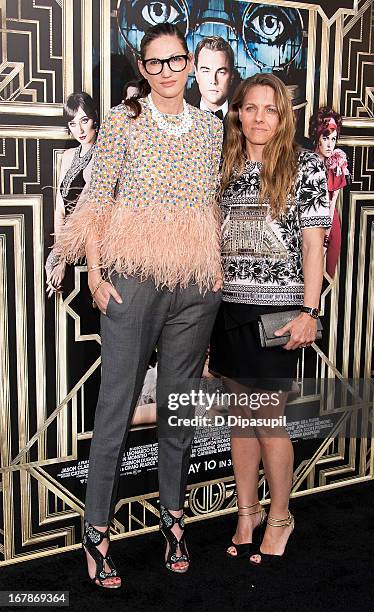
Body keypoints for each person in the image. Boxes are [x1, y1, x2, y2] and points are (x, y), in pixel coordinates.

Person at [53, 23, 223, 587]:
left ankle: (173, 522)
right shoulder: (124, 125)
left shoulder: (209, 129)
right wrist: (97, 277)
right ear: (144, 70)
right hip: (132, 280)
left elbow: (219, 204)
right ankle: (96, 531)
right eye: (156, 63)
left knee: (179, 409)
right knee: (115, 411)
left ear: (189, 65)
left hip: (195, 286)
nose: (168, 72)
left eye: (177, 61)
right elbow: (96, 203)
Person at [209, 73, 331, 565]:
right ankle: (247, 511)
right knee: (241, 418)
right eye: (251, 108)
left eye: (270, 109)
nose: (259, 118)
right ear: (238, 112)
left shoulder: (305, 166)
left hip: (277, 314)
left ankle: (281, 514)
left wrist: (309, 309)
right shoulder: (225, 165)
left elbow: (313, 243)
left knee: (268, 420)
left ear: (284, 117)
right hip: (229, 310)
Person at [45, 92, 98, 295]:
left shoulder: (102, 156)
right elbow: (60, 209)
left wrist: (63, 261)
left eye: (84, 120)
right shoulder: (68, 156)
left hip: (89, 247)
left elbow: (80, 212)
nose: (80, 129)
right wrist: (57, 254)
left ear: (94, 119)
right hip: (66, 245)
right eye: (73, 124)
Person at [309, 107, 351, 278]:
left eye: (333, 139)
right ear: (317, 137)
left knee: (327, 275)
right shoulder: (306, 162)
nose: (330, 144)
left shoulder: (336, 164)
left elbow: (333, 202)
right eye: (325, 138)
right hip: (308, 222)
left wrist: (326, 238)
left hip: (329, 223)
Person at [194, 36, 235, 120]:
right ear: (196, 74)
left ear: (231, 76)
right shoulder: (180, 121)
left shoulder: (245, 121)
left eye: (221, 72)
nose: (213, 81)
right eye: (206, 71)